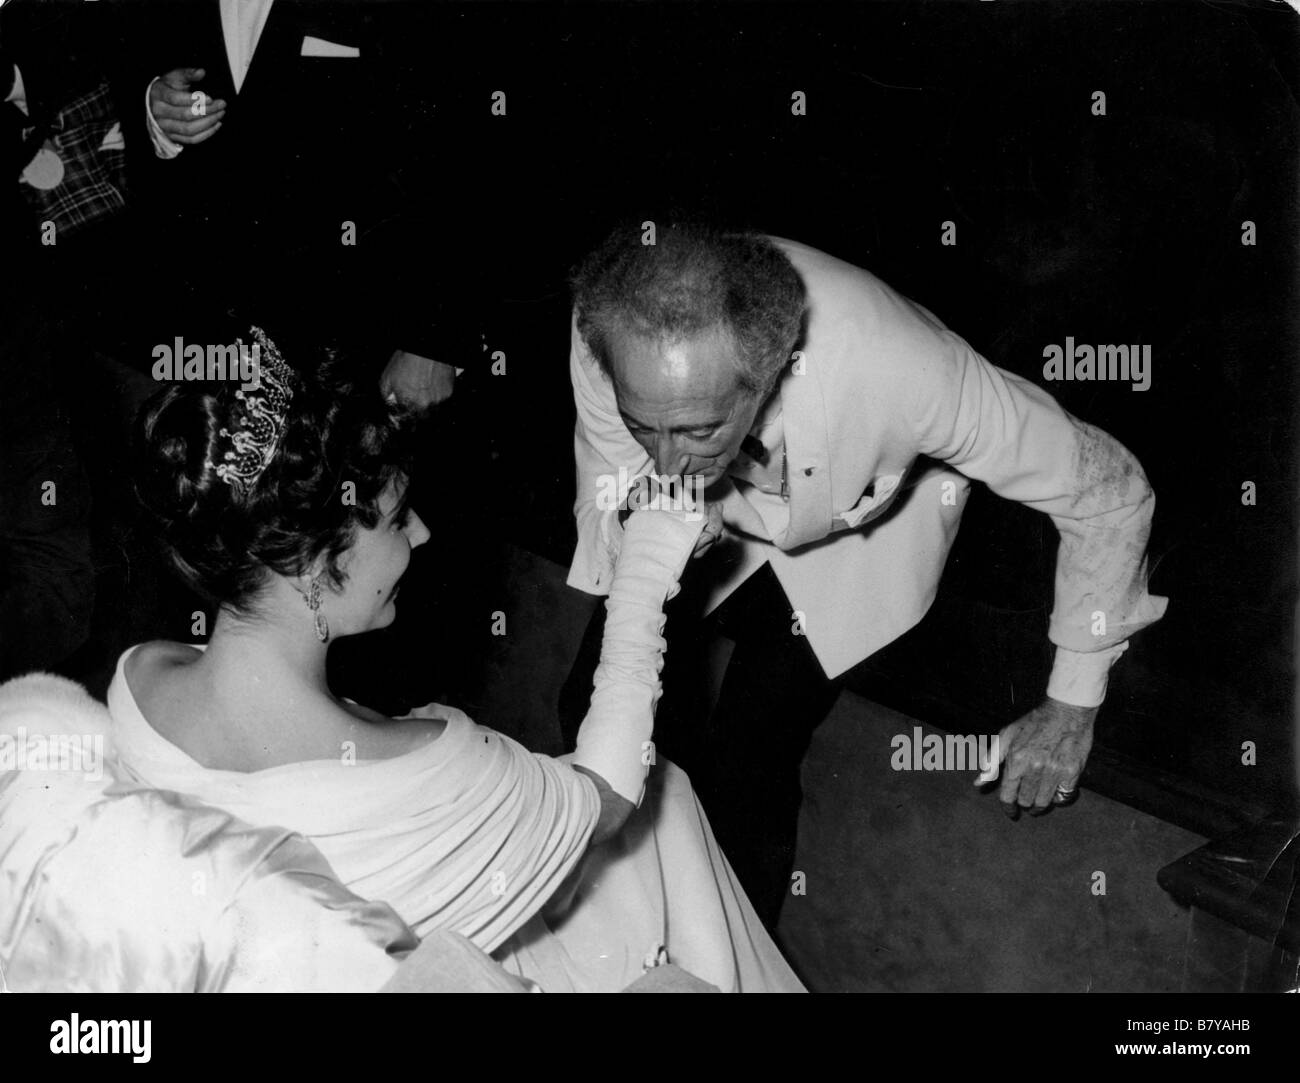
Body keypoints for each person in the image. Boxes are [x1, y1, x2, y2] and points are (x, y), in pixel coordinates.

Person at [108, 325, 802, 993]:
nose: (423, 530)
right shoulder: (426, 766)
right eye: (399, 513)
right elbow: (608, 801)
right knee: (662, 804)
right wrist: (647, 569)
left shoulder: (142, 676)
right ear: (320, 563)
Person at [559, 221, 1169, 926]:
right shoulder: (606, 330)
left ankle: (727, 956)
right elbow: (618, 477)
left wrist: (1072, 701)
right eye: (647, 426)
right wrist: (643, 518)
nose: (667, 466)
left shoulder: (909, 372)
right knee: (587, 706)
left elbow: (1110, 489)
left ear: (773, 366)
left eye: (697, 432)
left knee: (752, 754)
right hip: (717, 520)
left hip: (858, 538)